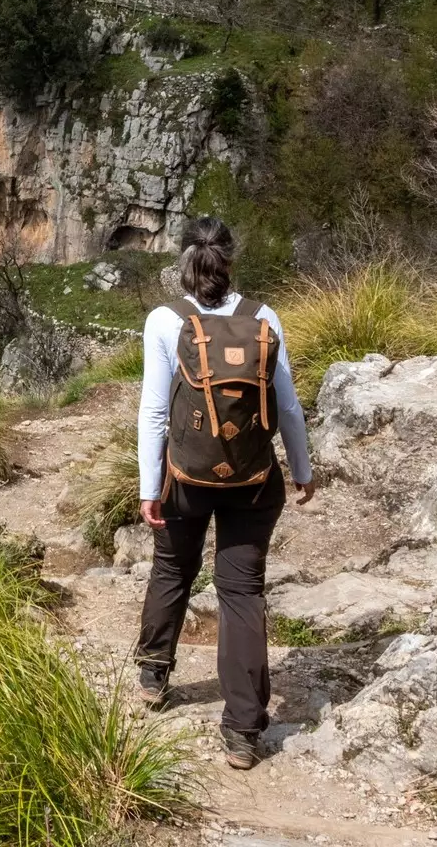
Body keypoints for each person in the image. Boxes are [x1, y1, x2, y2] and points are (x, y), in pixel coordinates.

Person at [133, 216, 315, 771]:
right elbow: (286, 405)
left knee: (173, 568)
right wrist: (302, 468)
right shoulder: (260, 317)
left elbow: (155, 410)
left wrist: (149, 486)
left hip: (184, 478)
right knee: (241, 592)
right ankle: (242, 732)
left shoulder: (165, 321)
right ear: (229, 261)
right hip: (253, 480)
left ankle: (153, 673)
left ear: (183, 264)